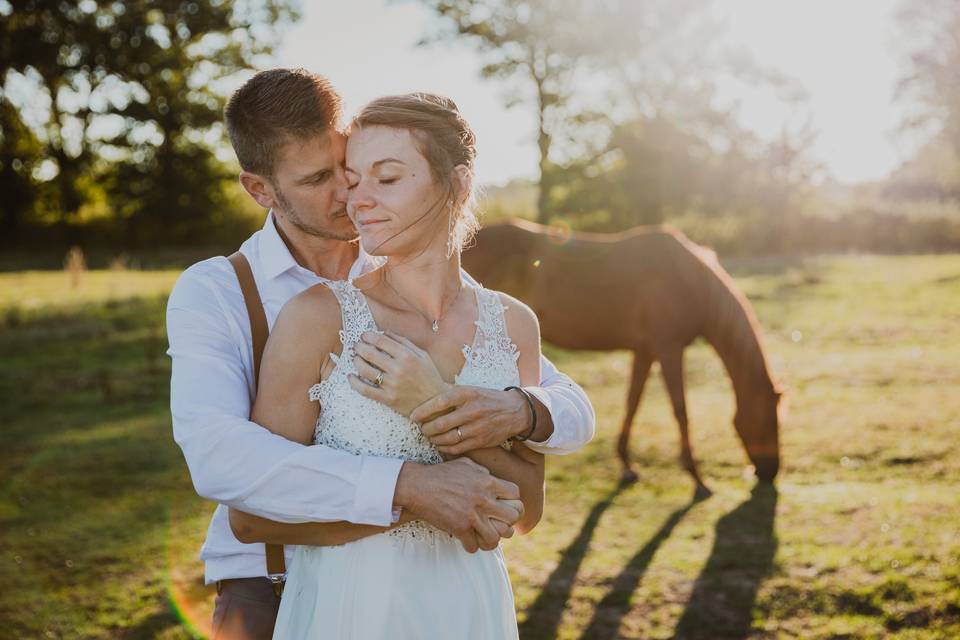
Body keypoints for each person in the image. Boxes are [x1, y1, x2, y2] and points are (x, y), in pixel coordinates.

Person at [165, 69, 595, 639]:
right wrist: (413, 488)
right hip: (275, 590)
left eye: (358, 170)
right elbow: (223, 462)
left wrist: (524, 410)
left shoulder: (418, 271)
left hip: (457, 597)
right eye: (324, 178)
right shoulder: (220, 293)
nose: (351, 195)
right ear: (261, 190)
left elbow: (558, 405)